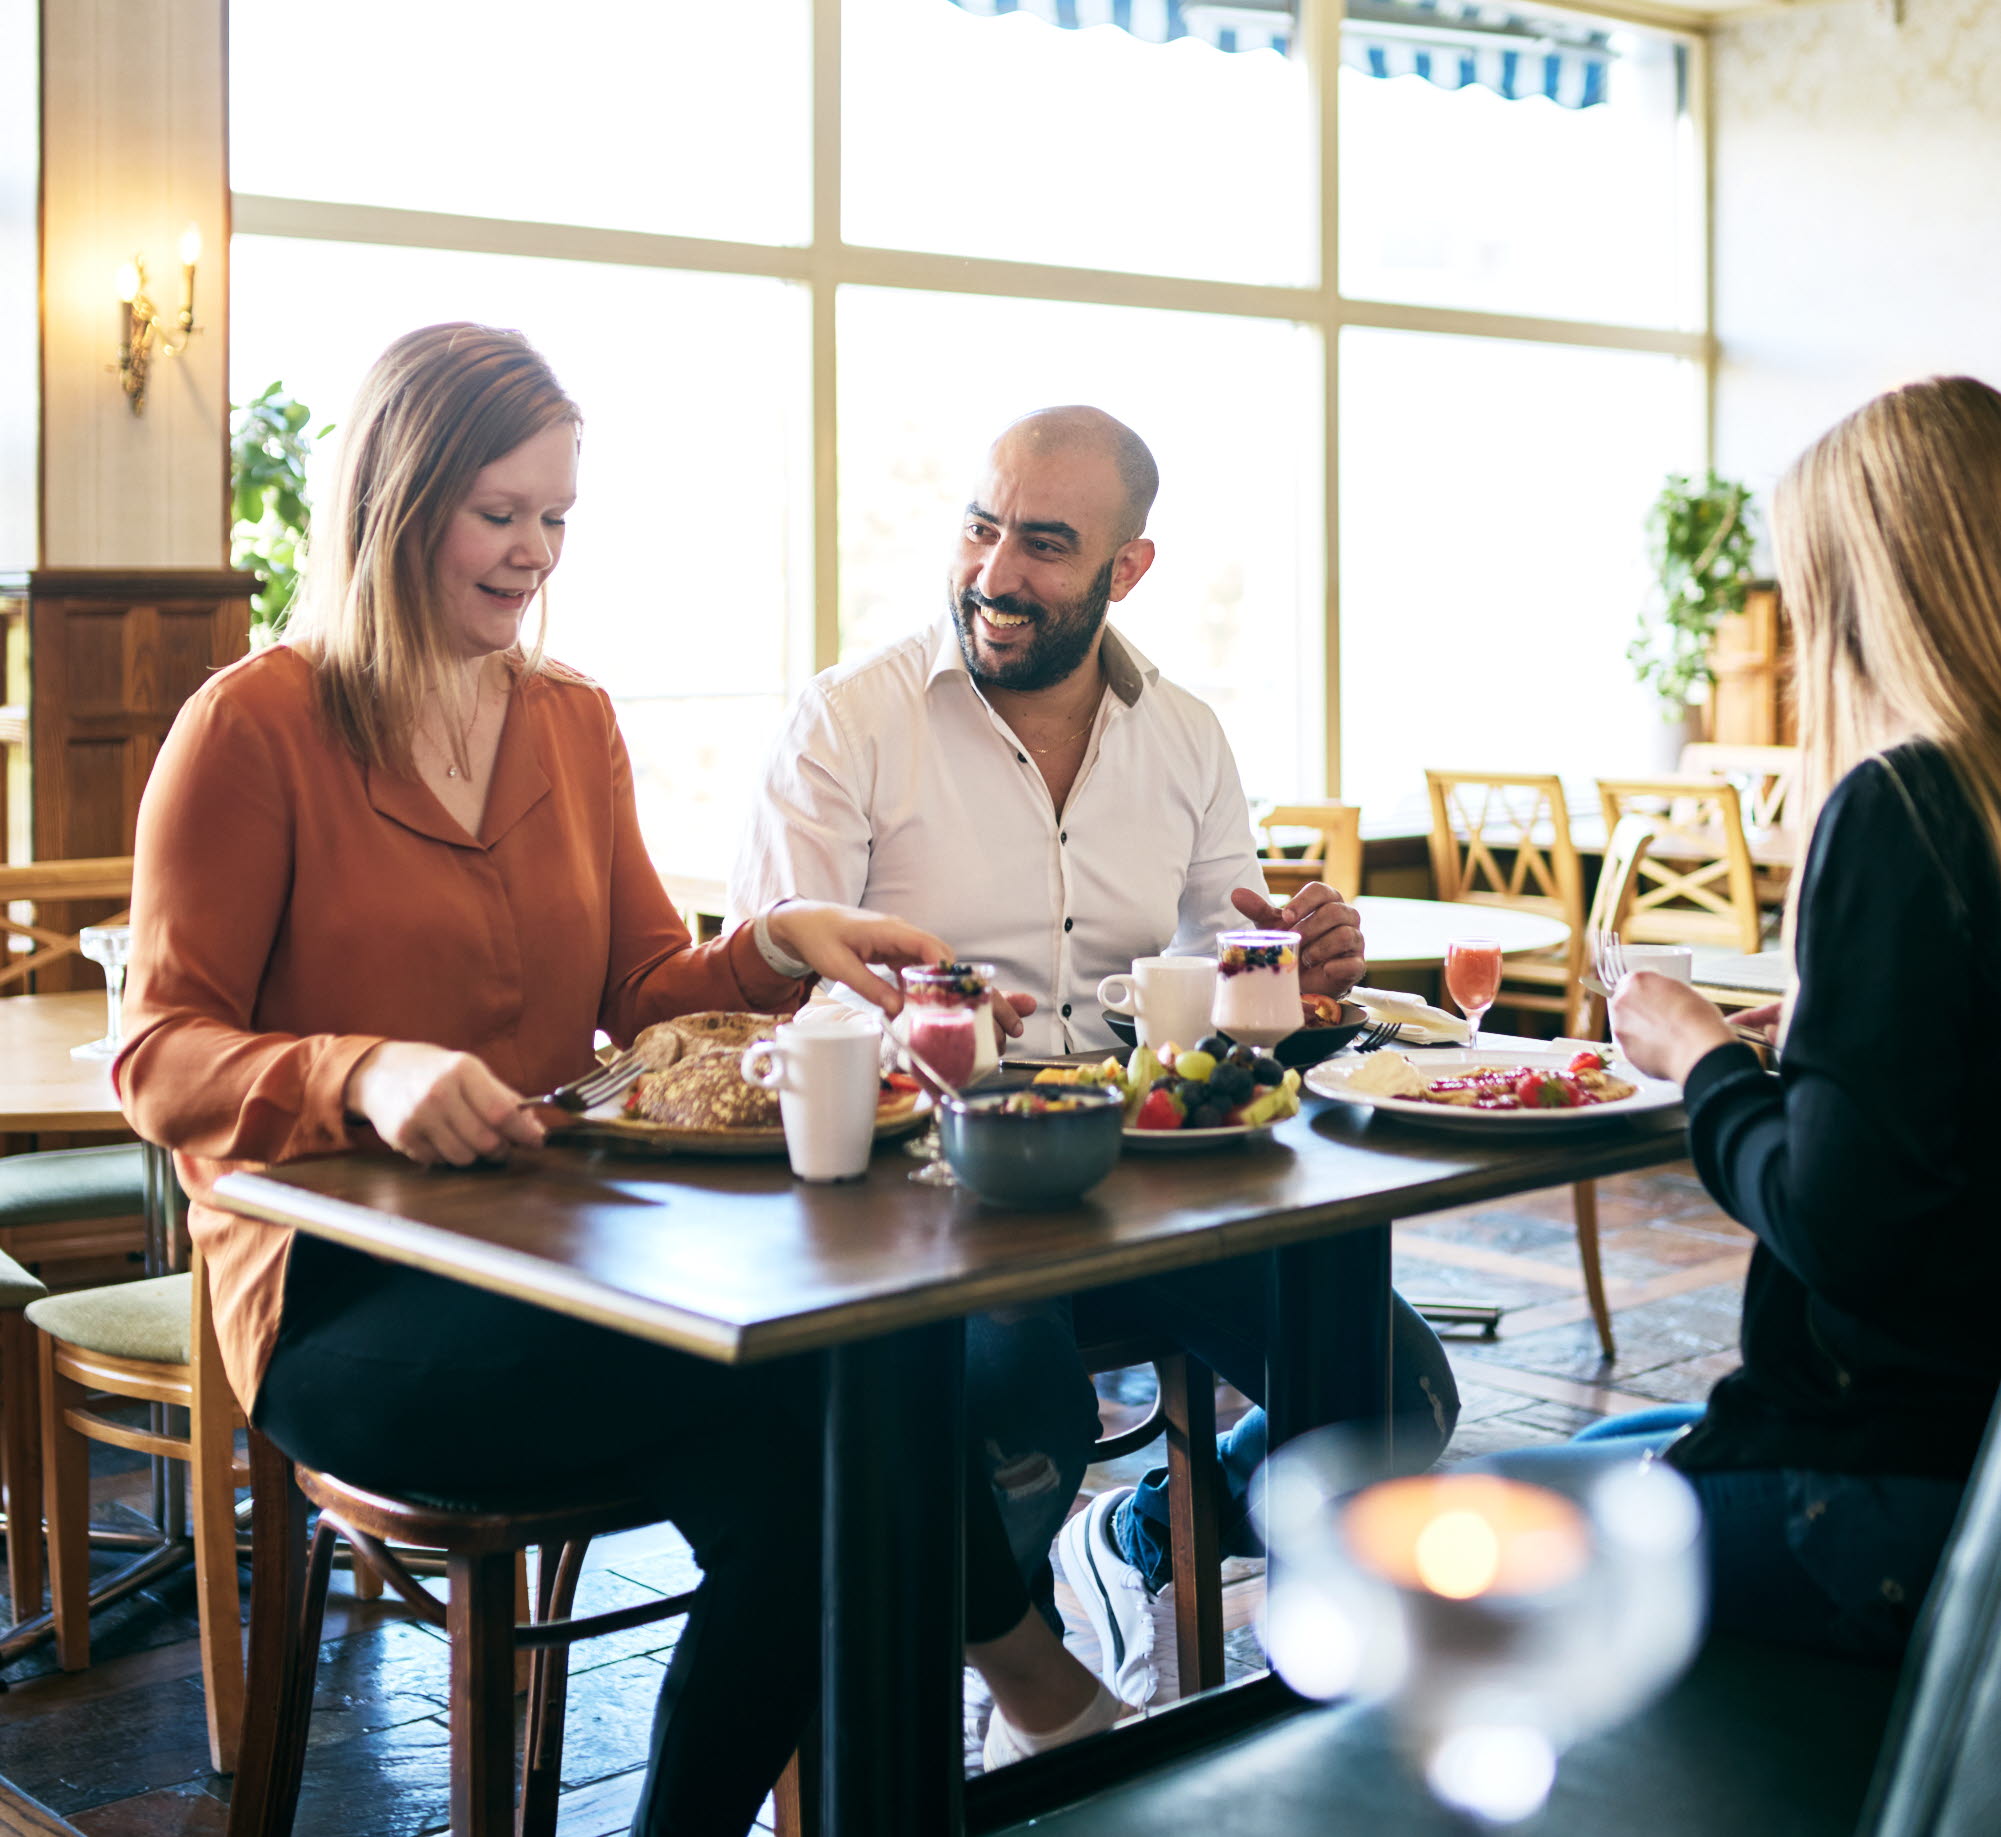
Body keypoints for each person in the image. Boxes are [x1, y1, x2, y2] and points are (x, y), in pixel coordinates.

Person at [115, 323, 960, 1837]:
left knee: (838, 1444)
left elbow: (642, 998)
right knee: (836, 1418)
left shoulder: (571, 719)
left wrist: (775, 939)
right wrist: (357, 1071)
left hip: (559, 1256)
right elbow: (158, 1054)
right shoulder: (253, 725)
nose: (532, 554)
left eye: (556, 518)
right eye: (498, 513)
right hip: (341, 1294)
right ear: (395, 499)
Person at [732, 405, 1459, 1732]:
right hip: (927, 1193)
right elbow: (778, 1000)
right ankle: (950, 1723)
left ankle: (1132, 1540)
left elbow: (1221, 1013)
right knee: (1017, 1421)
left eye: (1046, 545)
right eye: (979, 525)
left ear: (1127, 570)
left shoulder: (1182, 736)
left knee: (1394, 1397)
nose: (995, 574)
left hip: (1146, 1173)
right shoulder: (850, 719)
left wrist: (1293, 967)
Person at [1505, 374, 2001, 1662]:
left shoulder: (1905, 809)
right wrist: (1831, 1038)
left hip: (1889, 1494)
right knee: (1606, 1441)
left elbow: (1839, 1229)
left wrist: (1703, 1055)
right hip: (1969, 1452)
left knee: (1440, 1538)